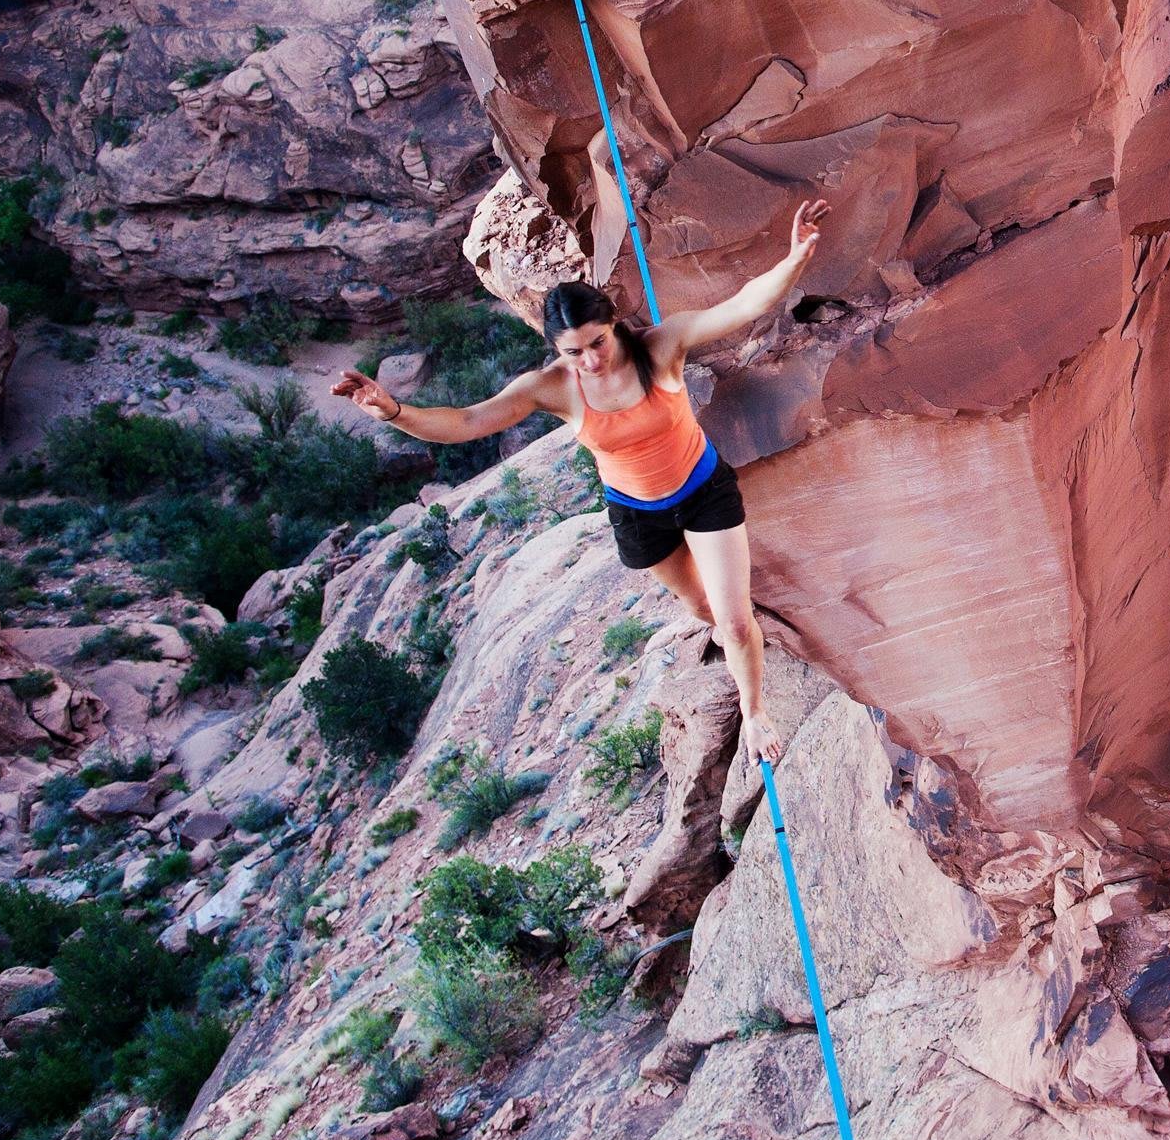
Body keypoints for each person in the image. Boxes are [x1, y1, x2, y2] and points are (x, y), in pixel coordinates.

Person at [332, 200, 826, 765]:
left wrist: (794, 259)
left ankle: (755, 707)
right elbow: (468, 421)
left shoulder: (659, 349)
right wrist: (396, 411)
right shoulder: (554, 387)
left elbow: (741, 306)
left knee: (735, 620)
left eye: (598, 342)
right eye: (574, 351)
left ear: (613, 324)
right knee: (702, 611)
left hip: (702, 488)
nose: (590, 360)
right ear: (555, 350)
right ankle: (733, 636)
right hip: (638, 513)